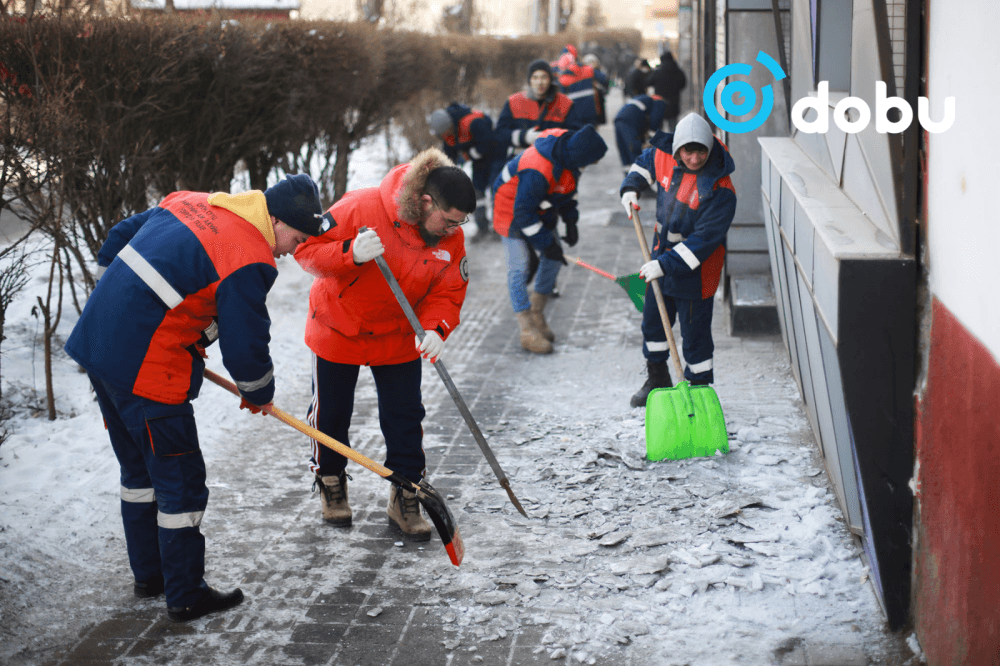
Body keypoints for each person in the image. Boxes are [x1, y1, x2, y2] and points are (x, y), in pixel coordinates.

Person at [64, 174, 325, 621]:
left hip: (99, 342)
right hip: (147, 366)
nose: (290, 250)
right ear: (274, 219)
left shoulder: (190, 200)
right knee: (179, 480)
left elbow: (119, 236)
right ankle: (186, 593)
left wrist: (121, 297)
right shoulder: (250, 257)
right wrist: (258, 392)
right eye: (294, 238)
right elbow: (245, 343)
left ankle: (151, 576)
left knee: (139, 471)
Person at [293, 149, 476, 541]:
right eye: (447, 220)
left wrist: (436, 329)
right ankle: (331, 480)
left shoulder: (452, 237)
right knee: (331, 414)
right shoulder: (361, 207)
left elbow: (449, 291)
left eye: (459, 224)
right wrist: (350, 254)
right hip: (338, 326)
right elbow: (306, 252)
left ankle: (405, 493)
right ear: (426, 201)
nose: (451, 231)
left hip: (397, 333)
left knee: (405, 417)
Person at [619, 113, 736, 407]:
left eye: (700, 152)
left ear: (709, 149)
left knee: (695, 335)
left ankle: (699, 392)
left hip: (697, 272)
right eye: (688, 151)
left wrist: (663, 265)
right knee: (654, 323)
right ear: (677, 150)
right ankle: (657, 379)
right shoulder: (664, 156)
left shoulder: (721, 189)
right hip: (660, 257)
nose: (694, 159)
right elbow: (643, 164)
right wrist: (630, 188)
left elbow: (703, 241)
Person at [492, 126, 607, 354]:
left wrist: (571, 220)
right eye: (590, 162)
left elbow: (566, 190)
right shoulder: (538, 169)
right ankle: (526, 329)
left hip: (538, 208)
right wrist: (546, 243)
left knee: (554, 258)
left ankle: (537, 312)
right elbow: (523, 214)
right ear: (579, 157)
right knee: (519, 268)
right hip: (511, 210)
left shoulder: (570, 156)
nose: (590, 166)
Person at [492, 59, 586, 178]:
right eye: (535, 77)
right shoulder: (514, 102)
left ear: (550, 79)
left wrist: (552, 140)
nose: (539, 82)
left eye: (544, 77)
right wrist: (524, 136)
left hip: (554, 169)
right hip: (519, 166)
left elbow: (576, 135)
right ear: (529, 80)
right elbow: (500, 134)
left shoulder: (565, 104)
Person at [428, 102, 498, 241]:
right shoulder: (446, 133)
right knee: (477, 192)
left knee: (497, 189)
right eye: (442, 134)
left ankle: (500, 227)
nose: (445, 135)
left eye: (446, 132)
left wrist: (469, 155)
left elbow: (489, 144)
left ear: (450, 125)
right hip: (479, 161)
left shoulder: (474, 122)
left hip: (497, 156)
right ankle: (482, 228)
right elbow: (449, 157)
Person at [614, 93, 667, 174]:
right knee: (635, 149)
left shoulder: (641, 99)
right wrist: (651, 139)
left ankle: (629, 181)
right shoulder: (659, 102)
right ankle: (640, 182)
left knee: (624, 151)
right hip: (630, 122)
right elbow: (655, 119)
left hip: (619, 119)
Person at [645, 50, 687, 130]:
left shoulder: (658, 71)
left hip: (660, 103)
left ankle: (661, 142)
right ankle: (673, 141)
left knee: (659, 128)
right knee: (673, 128)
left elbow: (648, 82)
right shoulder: (678, 71)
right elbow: (683, 84)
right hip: (674, 103)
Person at [581, 54, 610, 126]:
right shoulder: (590, 71)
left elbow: (605, 81)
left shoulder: (596, 71)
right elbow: (604, 79)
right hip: (592, 100)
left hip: (596, 99)